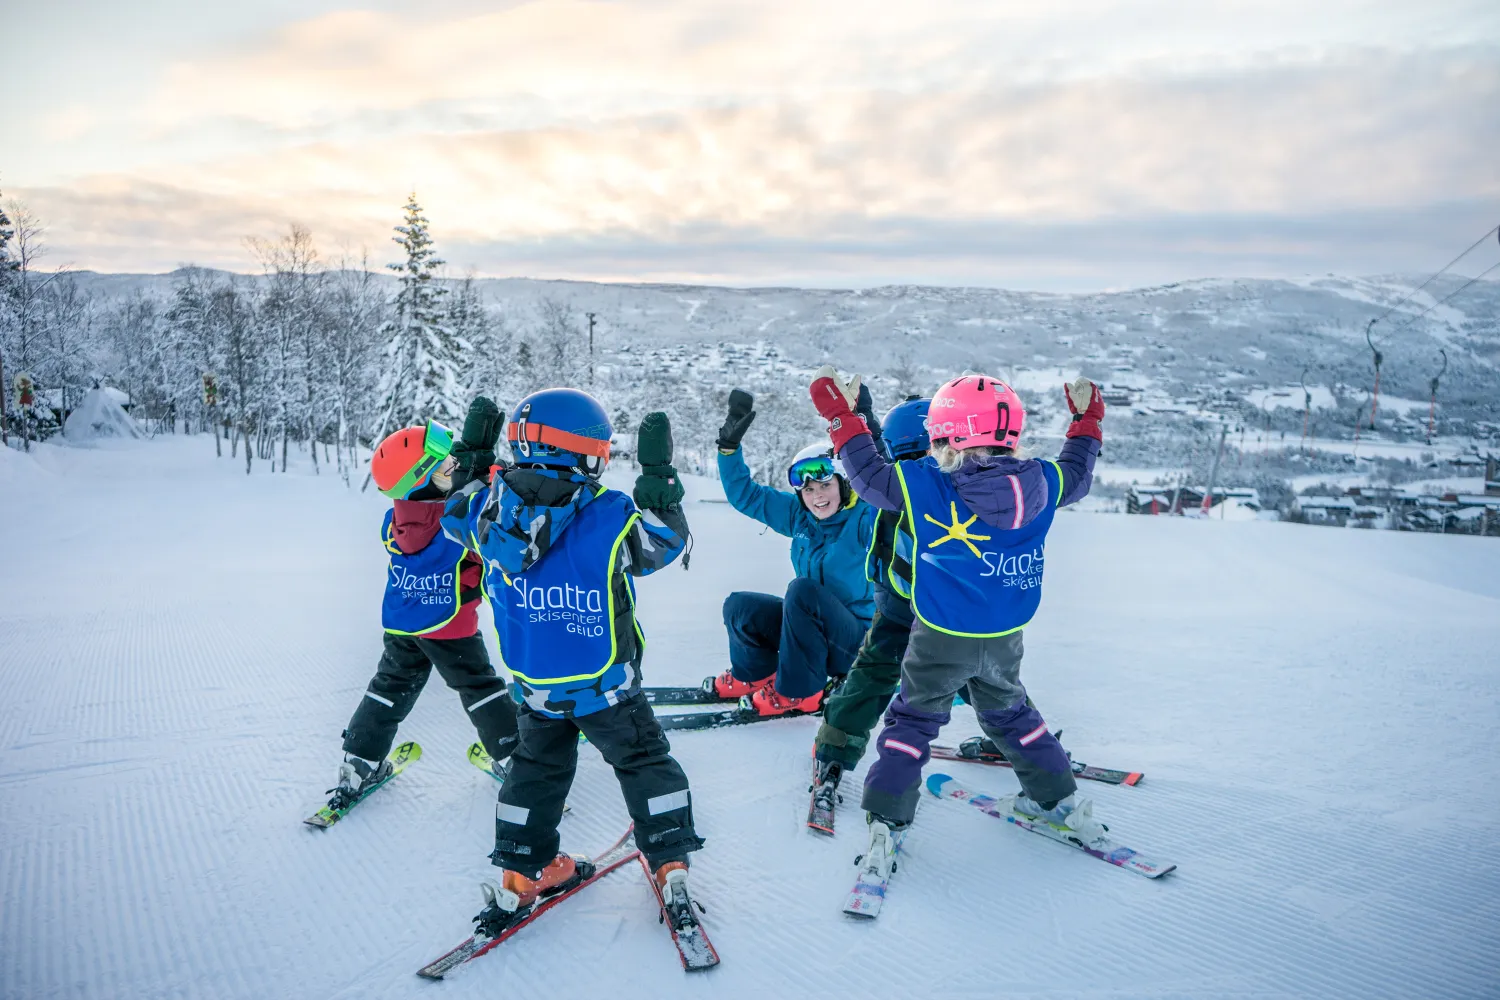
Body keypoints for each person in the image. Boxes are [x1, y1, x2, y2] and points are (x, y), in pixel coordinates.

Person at [806, 365, 1108, 863]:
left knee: (912, 722)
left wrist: (840, 413)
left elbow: (866, 475)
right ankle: (1058, 800)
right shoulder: (1043, 482)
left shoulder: (927, 485)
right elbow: (1077, 470)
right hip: (1006, 635)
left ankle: (888, 818)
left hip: (941, 635)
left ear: (943, 433)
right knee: (1012, 714)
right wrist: (1087, 419)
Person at [441, 389, 705, 932]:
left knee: (535, 774)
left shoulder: (488, 511)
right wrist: (658, 477)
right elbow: (664, 543)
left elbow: (451, 512)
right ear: (587, 452)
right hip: (607, 687)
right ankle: (670, 861)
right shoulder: (609, 513)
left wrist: (472, 457)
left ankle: (522, 873)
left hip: (536, 688)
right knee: (643, 761)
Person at [330, 403, 520, 809]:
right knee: (480, 686)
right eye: (448, 466)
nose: (455, 467)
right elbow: (487, 526)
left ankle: (358, 761)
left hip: (403, 623)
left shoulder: (396, 518)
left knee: (390, 687)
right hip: (449, 626)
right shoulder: (454, 521)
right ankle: (513, 757)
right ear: (423, 481)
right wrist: (489, 474)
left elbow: (400, 537)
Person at [709, 387, 881, 716]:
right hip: (813, 634)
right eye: (809, 490)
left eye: (826, 485)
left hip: (856, 645)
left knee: (801, 592)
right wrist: (729, 449)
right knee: (740, 606)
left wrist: (866, 431)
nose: (817, 497)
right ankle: (755, 674)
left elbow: (887, 493)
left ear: (844, 484)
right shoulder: (799, 516)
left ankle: (800, 692)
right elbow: (746, 495)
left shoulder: (865, 518)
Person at [810, 396, 930, 807]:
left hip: (899, 606)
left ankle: (833, 753)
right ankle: (1020, 741)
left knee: (870, 678)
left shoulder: (893, 482)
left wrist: (859, 415)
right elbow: (876, 451)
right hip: (935, 610)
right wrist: (864, 414)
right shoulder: (946, 485)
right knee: (980, 678)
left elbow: (872, 455)